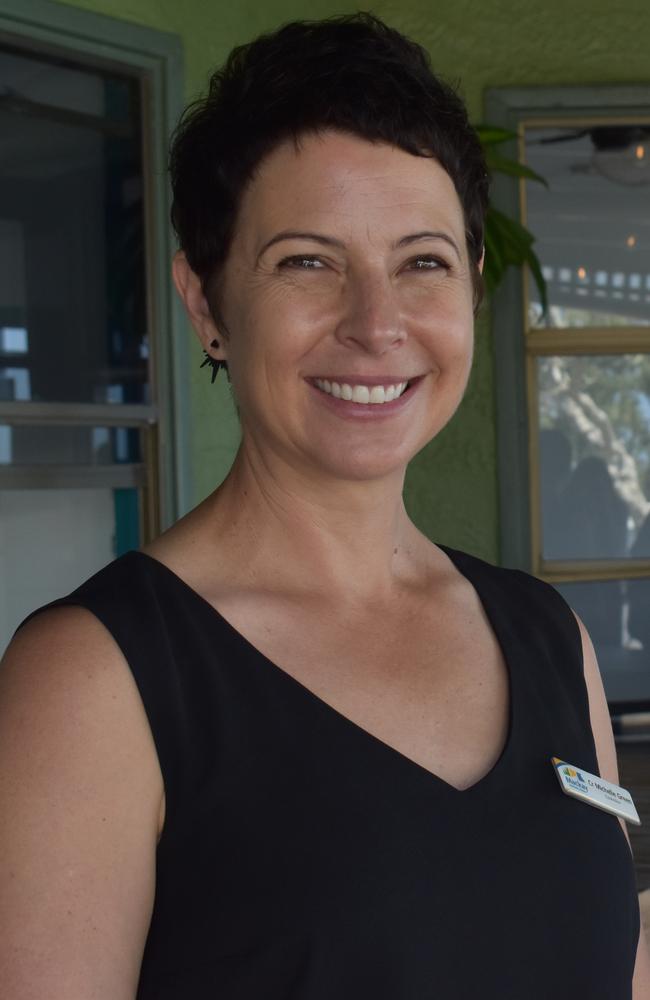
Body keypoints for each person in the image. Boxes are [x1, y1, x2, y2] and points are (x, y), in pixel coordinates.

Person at [0, 13, 648, 999]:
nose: (375, 323)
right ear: (206, 303)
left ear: (469, 286)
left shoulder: (544, 633)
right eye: (307, 260)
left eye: (421, 261)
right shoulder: (98, 677)